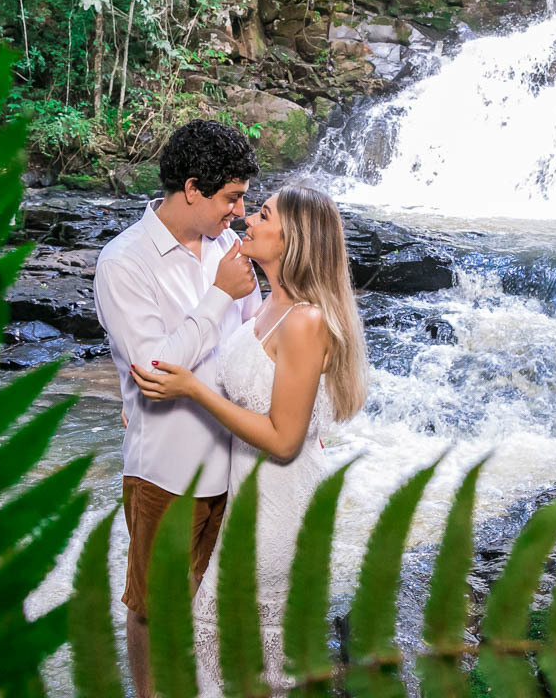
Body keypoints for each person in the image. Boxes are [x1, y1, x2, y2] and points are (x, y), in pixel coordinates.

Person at [130, 184, 368, 695]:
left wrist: (190, 389)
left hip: (278, 507)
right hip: (248, 496)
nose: (248, 220)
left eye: (262, 214)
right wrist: (146, 410)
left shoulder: (304, 321)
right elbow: (239, 386)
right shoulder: (267, 306)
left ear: (293, 239)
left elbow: (284, 441)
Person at [93, 119, 262, 698]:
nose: (239, 213)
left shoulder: (229, 252)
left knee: (209, 603)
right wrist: (219, 295)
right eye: (231, 198)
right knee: (152, 605)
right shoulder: (125, 262)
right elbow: (155, 371)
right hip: (168, 468)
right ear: (192, 188)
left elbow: (253, 344)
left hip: (237, 459)